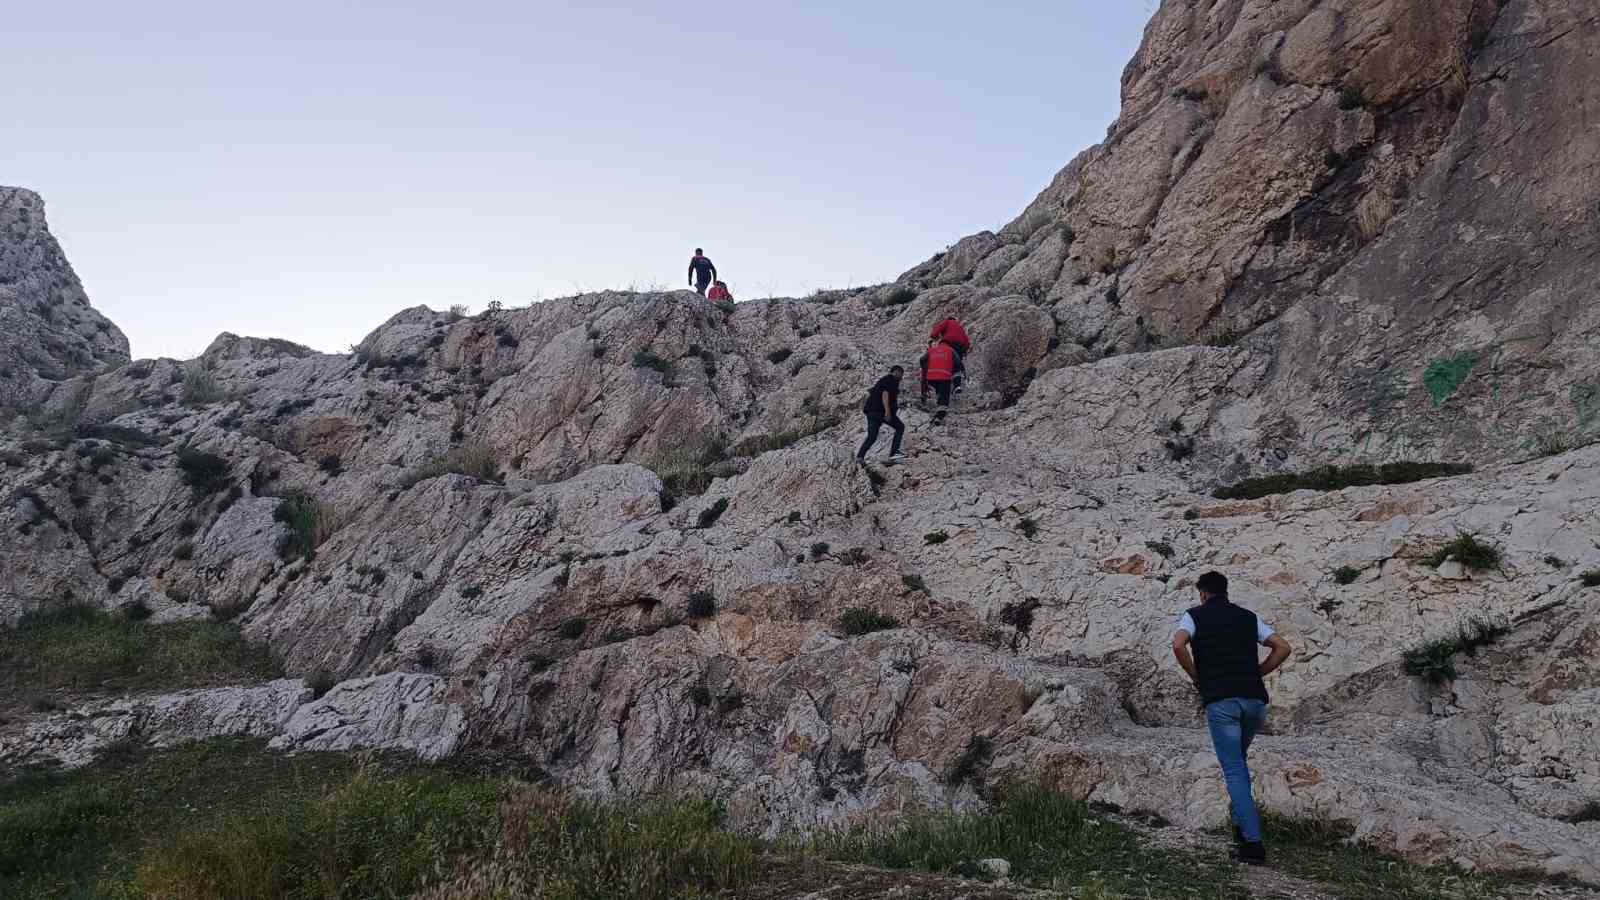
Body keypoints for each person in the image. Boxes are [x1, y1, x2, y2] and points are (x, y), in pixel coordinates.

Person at [1171, 571, 1293, 866]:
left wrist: (1196, 676)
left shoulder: (1194, 615)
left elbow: (1178, 645)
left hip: (1222, 702)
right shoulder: (1249, 617)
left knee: (1235, 770)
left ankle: (1253, 844)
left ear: (1202, 593)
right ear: (1226, 591)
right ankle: (1241, 826)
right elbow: (1283, 647)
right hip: (1254, 702)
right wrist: (1258, 673)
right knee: (1238, 760)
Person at [857, 365, 906, 463]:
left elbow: (877, 393)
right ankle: (893, 455)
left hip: (872, 412)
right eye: (901, 374)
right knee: (900, 427)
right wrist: (887, 411)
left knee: (872, 436)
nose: (901, 377)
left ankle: (860, 457)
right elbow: (885, 394)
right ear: (896, 372)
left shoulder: (884, 381)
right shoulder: (890, 380)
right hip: (880, 412)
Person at [919, 338, 956, 424]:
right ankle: (940, 416)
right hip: (944, 376)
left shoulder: (932, 350)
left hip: (931, 377)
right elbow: (957, 361)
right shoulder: (950, 349)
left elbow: (921, 359)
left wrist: (926, 368)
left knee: (939, 391)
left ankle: (936, 405)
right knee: (944, 394)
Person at [930, 317, 971, 392]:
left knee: (944, 363)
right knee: (956, 366)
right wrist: (964, 350)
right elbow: (967, 341)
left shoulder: (947, 322)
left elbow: (939, 327)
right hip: (960, 347)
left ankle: (941, 385)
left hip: (949, 344)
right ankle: (957, 385)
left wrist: (933, 335)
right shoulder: (960, 327)